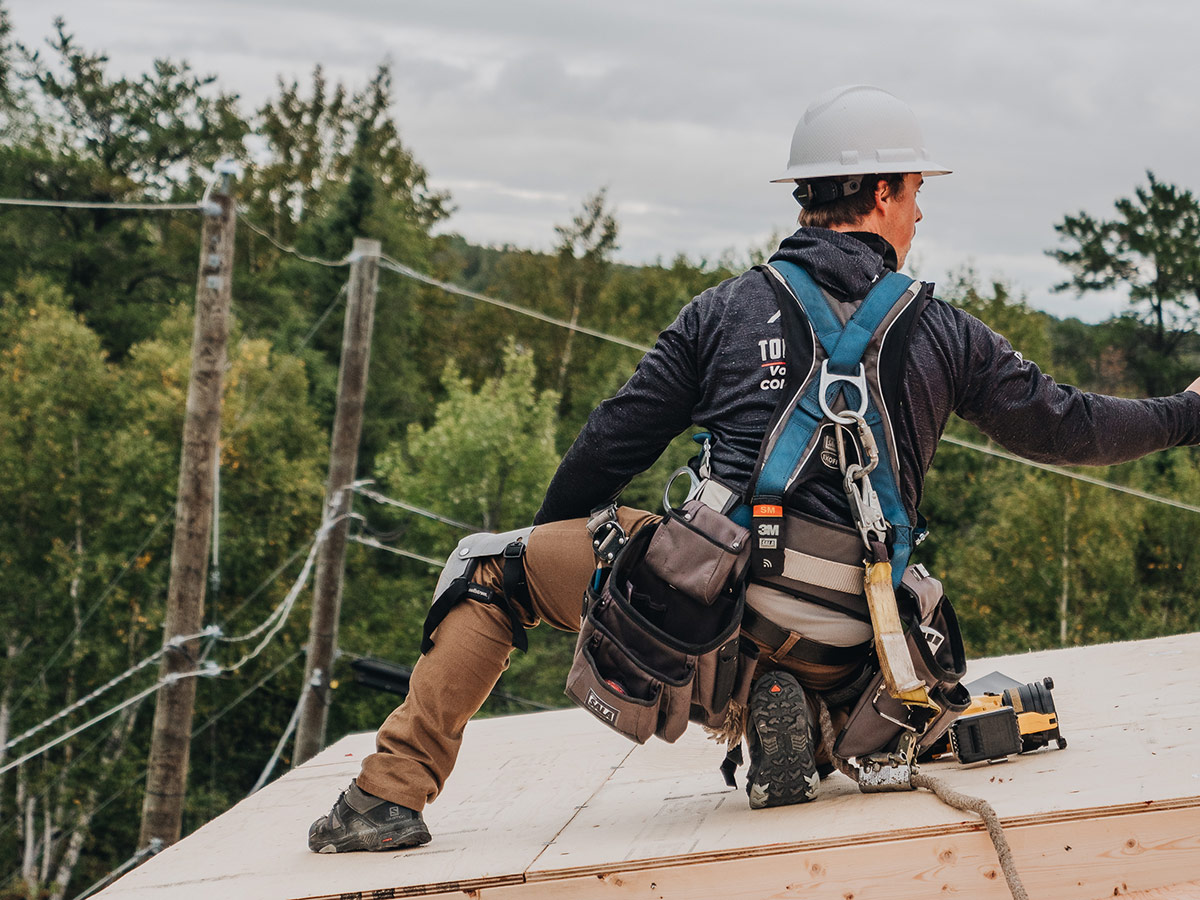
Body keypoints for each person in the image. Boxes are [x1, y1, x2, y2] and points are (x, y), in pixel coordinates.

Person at [308, 85, 1200, 852]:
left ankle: (385, 798)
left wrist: (561, 568)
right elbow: (1071, 426)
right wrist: (1187, 413)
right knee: (872, 654)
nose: (922, 212)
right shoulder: (946, 333)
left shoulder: (723, 312)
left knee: (489, 569)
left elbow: (610, 441)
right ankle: (812, 727)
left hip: (712, 618)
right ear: (883, 191)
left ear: (808, 195)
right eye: (918, 191)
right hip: (866, 647)